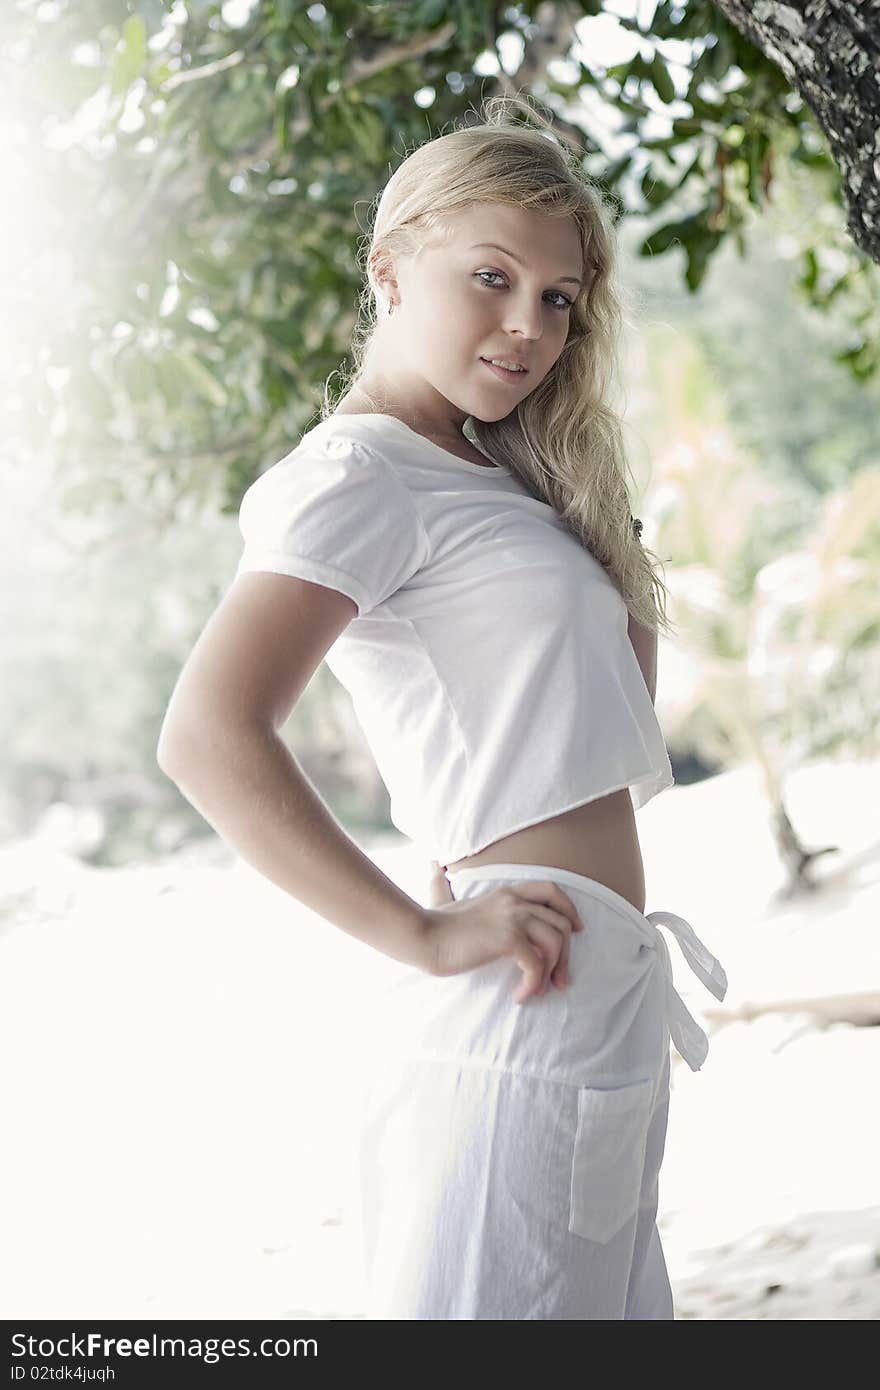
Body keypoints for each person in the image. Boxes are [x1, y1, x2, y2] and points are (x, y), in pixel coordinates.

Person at [157, 93, 728, 1320]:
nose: (528, 324)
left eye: (559, 296)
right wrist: (417, 934)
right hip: (518, 997)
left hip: (590, 987)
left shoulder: (494, 475)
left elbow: (533, 710)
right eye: (490, 276)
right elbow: (206, 735)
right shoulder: (360, 471)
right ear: (389, 268)